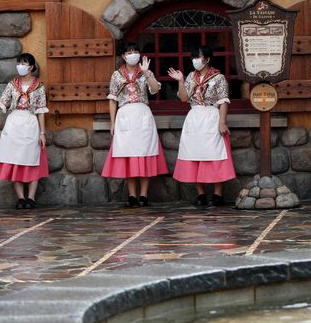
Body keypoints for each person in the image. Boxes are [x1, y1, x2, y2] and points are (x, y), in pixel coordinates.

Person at [0, 53, 49, 208]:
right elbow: (2, 104)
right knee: (14, 160)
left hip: (30, 123)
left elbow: (41, 111)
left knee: (32, 160)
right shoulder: (12, 85)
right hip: (14, 123)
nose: (20, 65)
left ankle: (31, 198)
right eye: (19, 62)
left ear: (31, 67)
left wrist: (42, 133)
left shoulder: (39, 87)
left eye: (23, 63)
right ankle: (21, 198)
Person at [101, 43, 168, 207]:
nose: (132, 54)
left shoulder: (145, 72)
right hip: (124, 115)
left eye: (135, 51)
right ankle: (132, 195)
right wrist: (112, 122)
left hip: (143, 114)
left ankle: (144, 195)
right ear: (123, 56)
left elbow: (155, 90)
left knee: (144, 153)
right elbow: (112, 99)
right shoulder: (117, 75)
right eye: (129, 52)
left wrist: (146, 72)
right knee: (128, 155)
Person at [168, 46, 235, 205]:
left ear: (208, 59)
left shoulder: (218, 77)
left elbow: (223, 101)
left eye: (198, 57)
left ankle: (218, 193)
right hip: (194, 117)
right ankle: (201, 194)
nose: (195, 61)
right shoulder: (191, 76)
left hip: (212, 115)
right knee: (195, 154)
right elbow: (184, 99)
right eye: (193, 57)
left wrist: (222, 122)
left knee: (214, 155)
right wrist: (180, 81)